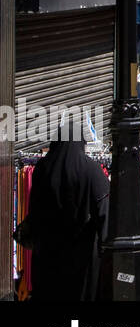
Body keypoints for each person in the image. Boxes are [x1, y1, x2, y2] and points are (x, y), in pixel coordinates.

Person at [23, 118, 110, 301]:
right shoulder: (91, 170)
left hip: (47, 257)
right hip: (82, 259)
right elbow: (103, 212)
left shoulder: (42, 169)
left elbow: (34, 210)